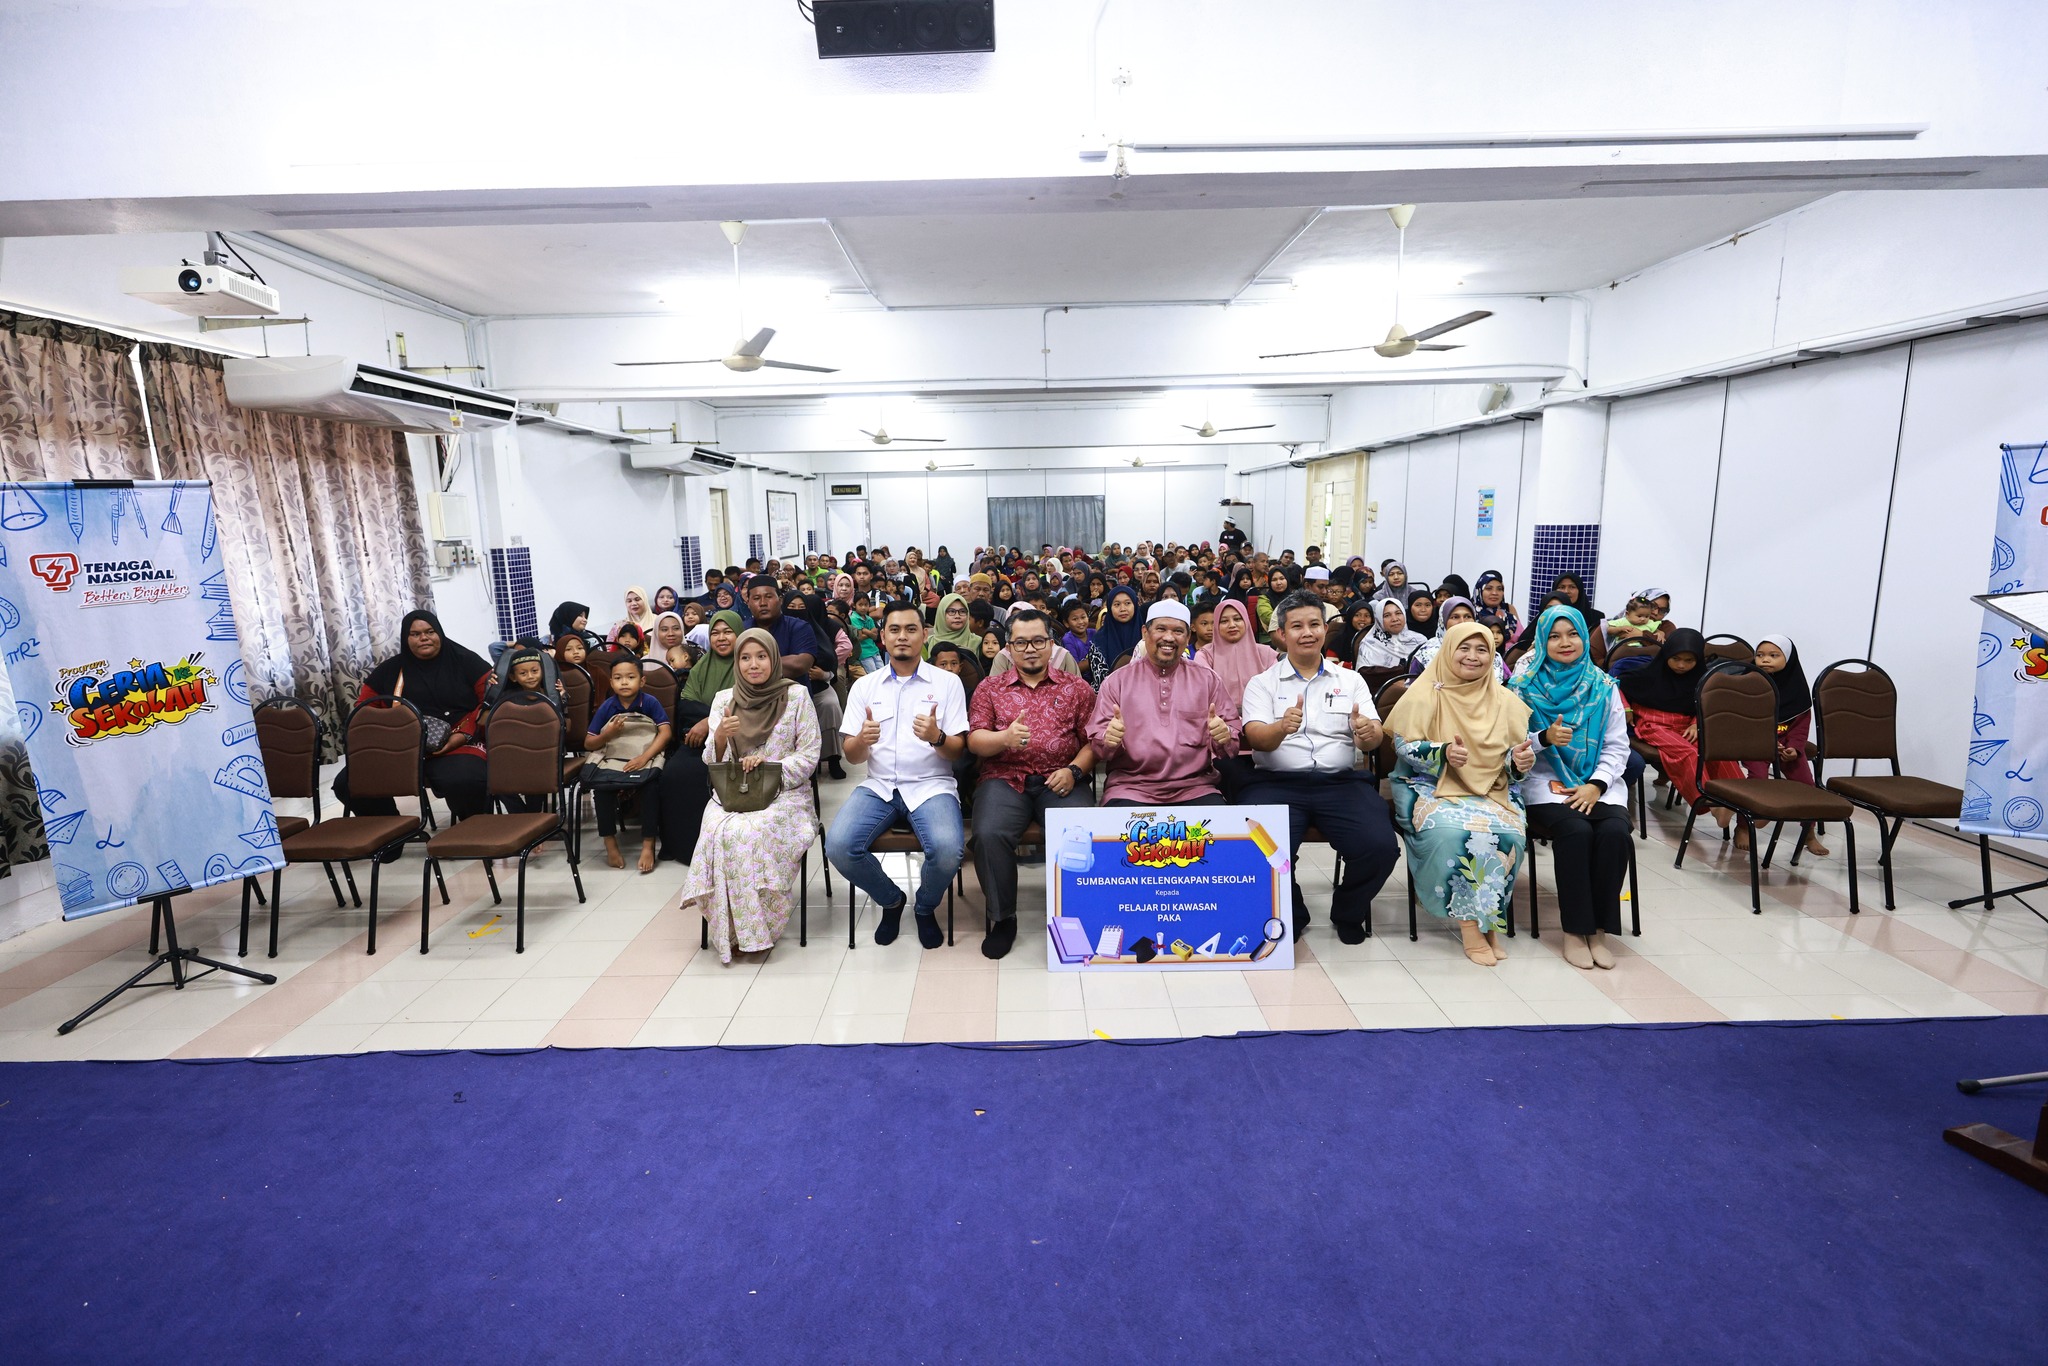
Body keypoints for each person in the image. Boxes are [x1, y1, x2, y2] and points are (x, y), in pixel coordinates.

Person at [1238, 592, 1402, 943]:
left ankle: (1347, 911)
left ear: (1325, 629)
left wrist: (1368, 733)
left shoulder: (1350, 681)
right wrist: (1280, 728)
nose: (1307, 633)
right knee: (1256, 848)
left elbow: (1372, 739)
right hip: (1276, 783)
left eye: (1314, 624)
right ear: (1281, 633)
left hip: (1340, 783)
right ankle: (1293, 912)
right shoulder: (1262, 683)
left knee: (1381, 847)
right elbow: (1256, 739)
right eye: (1297, 626)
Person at [1385, 621, 1537, 967]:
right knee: (1454, 834)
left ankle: (1490, 920)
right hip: (1429, 784)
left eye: (1482, 649)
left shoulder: (1507, 702)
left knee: (1508, 835)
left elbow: (1512, 762)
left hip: (1492, 787)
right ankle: (1471, 926)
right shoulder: (1424, 693)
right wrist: (1442, 753)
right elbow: (1404, 746)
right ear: (1448, 651)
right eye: (1464, 648)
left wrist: (1519, 762)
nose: (1473, 656)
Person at [829, 600, 970, 950]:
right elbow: (852, 756)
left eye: (910, 629)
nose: (902, 636)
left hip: (931, 785)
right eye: (894, 629)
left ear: (924, 635)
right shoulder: (865, 686)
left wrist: (937, 737)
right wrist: (862, 740)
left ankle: (925, 907)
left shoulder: (948, 683)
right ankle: (891, 901)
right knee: (839, 846)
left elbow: (957, 751)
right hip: (879, 786)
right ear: (883, 637)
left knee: (948, 850)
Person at [681, 628, 822, 964]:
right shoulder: (724, 700)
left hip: (785, 794)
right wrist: (720, 736)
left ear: (773, 659)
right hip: (735, 793)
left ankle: (759, 930)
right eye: (745, 658)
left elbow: (809, 755)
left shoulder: (797, 696)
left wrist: (770, 767)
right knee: (717, 830)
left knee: (749, 834)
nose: (753, 664)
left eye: (761, 657)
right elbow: (712, 762)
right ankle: (729, 930)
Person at [966, 608, 1099, 959]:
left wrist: (1075, 771)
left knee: (1080, 830)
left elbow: (1093, 742)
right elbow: (975, 740)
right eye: (1021, 642)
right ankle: (1003, 918)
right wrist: (1004, 739)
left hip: (1061, 777)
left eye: (1038, 641)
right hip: (1004, 777)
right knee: (988, 834)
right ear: (1009, 648)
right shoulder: (990, 688)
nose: (1030, 649)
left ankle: (1077, 912)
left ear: (1051, 645)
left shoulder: (1076, 688)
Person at [1512, 605, 1633, 970]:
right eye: (1554, 636)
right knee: (1576, 831)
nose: (1565, 643)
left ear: (1584, 637)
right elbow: (1511, 745)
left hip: (1598, 784)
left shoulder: (1603, 687)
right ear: (1541, 641)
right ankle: (1574, 930)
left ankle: (1599, 929)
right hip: (1544, 783)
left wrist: (1596, 785)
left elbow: (1617, 746)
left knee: (1614, 832)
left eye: (1572, 634)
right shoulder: (1522, 688)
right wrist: (1544, 738)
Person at [335, 610, 492, 822]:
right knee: (348, 782)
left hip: (459, 743)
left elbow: (490, 704)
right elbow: (363, 712)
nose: (424, 638)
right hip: (404, 748)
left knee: (465, 778)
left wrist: (462, 734)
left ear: (440, 633)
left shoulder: (467, 662)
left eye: (430, 632)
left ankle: (476, 828)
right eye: (415, 634)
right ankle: (391, 829)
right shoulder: (389, 671)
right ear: (405, 638)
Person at [1088, 602, 1239, 806]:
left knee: (1218, 823)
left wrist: (1224, 735)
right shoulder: (1117, 682)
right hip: (1131, 787)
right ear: (1145, 632)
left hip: (1195, 787)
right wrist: (1108, 740)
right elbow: (1099, 747)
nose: (1169, 637)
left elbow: (1230, 745)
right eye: (1161, 629)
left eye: (1178, 631)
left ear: (1188, 637)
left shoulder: (1207, 679)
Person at [1618, 628, 1740, 829]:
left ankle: (1738, 800)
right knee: (1688, 753)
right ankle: (1709, 803)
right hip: (1653, 724)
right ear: (1666, 654)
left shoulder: (1702, 679)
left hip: (1685, 725)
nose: (1681, 665)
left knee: (1716, 752)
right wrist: (1626, 707)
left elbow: (1707, 704)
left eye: (1689, 660)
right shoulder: (1645, 675)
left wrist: (1695, 722)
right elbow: (1614, 685)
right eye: (1675, 659)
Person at [659, 609, 742, 864]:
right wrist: (711, 717)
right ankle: (682, 848)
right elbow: (686, 706)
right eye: (715, 633)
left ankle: (716, 848)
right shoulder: (700, 668)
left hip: (737, 743)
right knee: (673, 773)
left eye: (728, 632)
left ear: (740, 634)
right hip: (697, 742)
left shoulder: (747, 665)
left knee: (705, 774)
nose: (721, 638)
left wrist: (708, 721)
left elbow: (745, 707)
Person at [745, 578, 845, 781]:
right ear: (748, 603)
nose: (762, 603)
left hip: (792, 706)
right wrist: (782, 662)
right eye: (756, 598)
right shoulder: (743, 628)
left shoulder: (799, 627)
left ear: (779, 599)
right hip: (751, 706)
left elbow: (800, 665)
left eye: (768, 596)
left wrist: (753, 664)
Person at [584, 655, 672, 873]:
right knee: (602, 789)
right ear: (611, 682)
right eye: (618, 678)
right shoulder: (608, 706)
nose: (624, 682)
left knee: (651, 787)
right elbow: (589, 742)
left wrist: (644, 757)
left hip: (644, 756)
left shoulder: (649, 702)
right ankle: (609, 843)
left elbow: (665, 732)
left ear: (642, 681)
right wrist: (608, 734)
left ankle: (648, 844)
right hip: (614, 758)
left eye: (630, 677)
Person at [1749, 636, 1827, 856]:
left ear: (1789, 659)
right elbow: (1743, 722)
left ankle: (1808, 833)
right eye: (1760, 655)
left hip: (1786, 747)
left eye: (1774, 655)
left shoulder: (1798, 690)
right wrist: (1767, 742)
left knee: (1806, 785)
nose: (1765, 660)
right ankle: (1744, 827)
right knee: (1757, 779)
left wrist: (1794, 747)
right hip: (1754, 743)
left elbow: (1800, 728)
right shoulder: (1748, 683)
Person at [1084, 585, 1145, 686]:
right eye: (1117, 604)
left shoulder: (1146, 636)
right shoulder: (1099, 640)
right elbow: (1100, 680)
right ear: (1109, 608)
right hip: (1108, 693)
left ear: (1135, 605)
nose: (1123, 609)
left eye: (1127, 603)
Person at [1355, 597, 1424, 671]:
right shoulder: (1369, 643)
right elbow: (1366, 673)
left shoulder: (1419, 640)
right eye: (1387, 615)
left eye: (1398, 613)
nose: (1395, 619)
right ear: (1379, 620)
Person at [926, 592, 981, 659]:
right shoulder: (927, 644)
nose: (957, 616)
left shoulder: (979, 643)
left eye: (962, 611)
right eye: (951, 611)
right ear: (942, 614)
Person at [1472, 571, 1521, 644]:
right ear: (1479, 591)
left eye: (1499, 589)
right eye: (1489, 588)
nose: (1494, 593)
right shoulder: (1470, 613)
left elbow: (1523, 640)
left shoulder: (1510, 615)